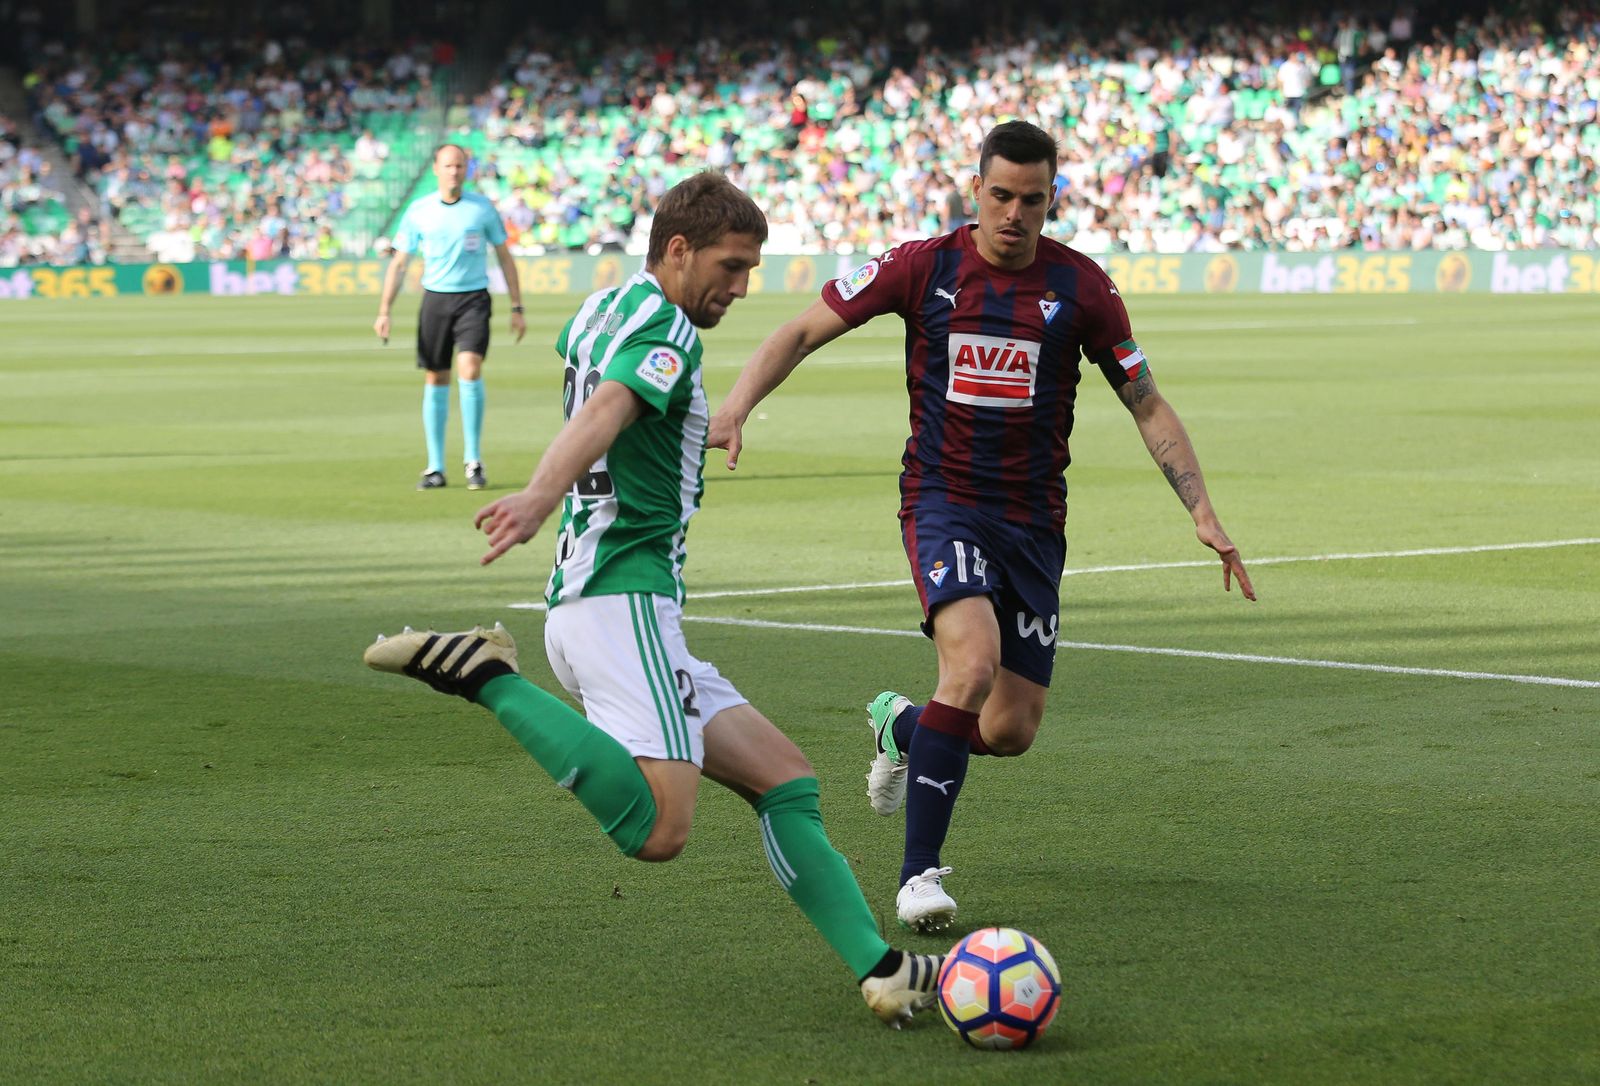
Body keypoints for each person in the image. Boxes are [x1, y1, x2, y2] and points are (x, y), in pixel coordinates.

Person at [363, 171, 942, 1026]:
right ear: (678, 250)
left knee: (785, 780)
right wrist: (537, 495)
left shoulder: (601, 307)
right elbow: (610, 405)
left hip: (612, 600)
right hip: (619, 598)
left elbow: (600, 389)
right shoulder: (668, 328)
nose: (741, 288)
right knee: (661, 830)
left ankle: (882, 968)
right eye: (732, 266)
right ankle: (485, 675)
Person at [708, 121, 1257, 934]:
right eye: (1001, 195)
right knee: (969, 669)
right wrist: (736, 404)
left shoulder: (1084, 287)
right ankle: (918, 877)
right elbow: (798, 330)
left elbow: (1145, 400)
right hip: (943, 502)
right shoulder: (921, 266)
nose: (1015, 214)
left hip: (1034, 524)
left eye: (1032, 200)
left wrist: (1202, 510)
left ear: (1051, 199)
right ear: (977, 191)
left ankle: (901, 726)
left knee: (1006, 729)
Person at [375, 143, 526, 491]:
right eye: (448, 166)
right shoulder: (419, 211)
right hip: (435, 300)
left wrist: (517, 307)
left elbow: (505, 256)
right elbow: (399, 263)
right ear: (436, 169)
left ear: (467, 169)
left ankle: (473, 460)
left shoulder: (482, 209)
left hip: (473, 298)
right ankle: (435, 466)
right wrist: (384, 310)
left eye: (459, 166)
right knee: (436, 376)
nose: (454, 172)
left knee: (470, 369)